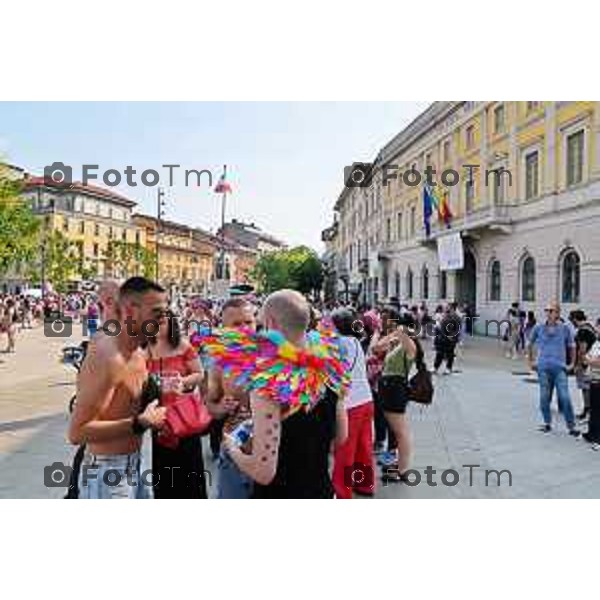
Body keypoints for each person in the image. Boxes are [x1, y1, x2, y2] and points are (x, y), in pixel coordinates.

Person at [223, 290, 348, 499]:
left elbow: (263, 473)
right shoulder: (330, 365)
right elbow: (341, 437)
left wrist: (232, 448)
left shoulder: (269, 384)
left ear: (271, 323)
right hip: (322, 491)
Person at [68, 277, 169, 499]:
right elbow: (77, 433)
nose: (164, 321)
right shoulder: (107, 357)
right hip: (107, 473)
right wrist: (140, 423)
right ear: (132, 311)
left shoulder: (140, 350)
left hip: (137, 463)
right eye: (158, 313)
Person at [146, 310, 206, 499]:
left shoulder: (183, 346)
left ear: (171, 323)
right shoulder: (144, 349)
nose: (157, 325)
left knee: (189, 468)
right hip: (159, 419)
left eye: (162, 321)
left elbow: (199, 373)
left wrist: (183, 382)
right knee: (163, 471)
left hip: (184, 417)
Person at [206, 298, 257, 498]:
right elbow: (210, 404)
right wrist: (221, 408)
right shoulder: (219, 363)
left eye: (248, 322)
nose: (244, 329)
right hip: (234, 455)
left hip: (270, 454)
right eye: (236, 324)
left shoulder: (273, 357)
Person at [330, 308, 375, 498]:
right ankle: (364, 485)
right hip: (365, 398)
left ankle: (342, 490)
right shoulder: (355, 341)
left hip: (349, 403)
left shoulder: (339, 343)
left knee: (345, 449)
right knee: (363, 446)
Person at [372, 313, 420, 482]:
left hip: (395, 390)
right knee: (399, 431)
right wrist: (388, 335)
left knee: (401, 432)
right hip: (389, 389)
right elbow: (376, 348)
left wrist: (400, 331)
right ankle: (400, 465)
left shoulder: (410, 345)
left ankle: (403, 469)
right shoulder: (397, 343)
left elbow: (407, 341)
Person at [527, 300, 579, 436]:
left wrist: (572, 364)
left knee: (565, 397)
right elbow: (529, 343)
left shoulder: (565, 328)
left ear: (558, 313)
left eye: (551, 311)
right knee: (544, 397)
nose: (548, 313)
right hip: (543, 367)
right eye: (547, 310)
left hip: (560, 368)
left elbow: (572, 346)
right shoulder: (538, 327)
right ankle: (547, 423)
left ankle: (571, 426)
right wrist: (531, 361)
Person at [571, 310, 597, 421]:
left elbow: (582, 349)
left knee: (585, 388)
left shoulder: (582, 331)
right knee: (588, 388)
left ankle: (588, 411)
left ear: (575, 319)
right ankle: (588, 411)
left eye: (571, 319)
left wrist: (578, 365)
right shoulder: (590, 327)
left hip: (586, 364)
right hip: (592, 362)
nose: (571, 322)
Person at [433, 304, 460, 374]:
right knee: (439, 353)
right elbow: (441, 327)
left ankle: (448, 368)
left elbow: (457, 329)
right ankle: (435, 367)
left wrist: (452, 337)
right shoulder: (445, 317)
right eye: (446, 308)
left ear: (453, 309)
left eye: (448, 308)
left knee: (450, 354)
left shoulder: (456, 318)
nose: (446, 309)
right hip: (442, 338)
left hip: (450, 339)